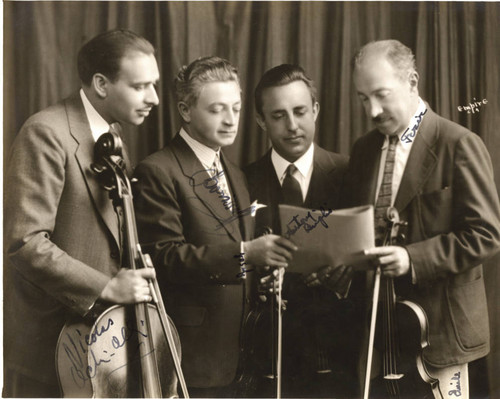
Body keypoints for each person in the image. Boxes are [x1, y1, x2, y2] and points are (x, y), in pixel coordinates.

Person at [3, 29, 160, 397]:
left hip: (101, 344)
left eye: (153, 85)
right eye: (140, 86)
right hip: (54, 347)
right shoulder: (45, 131)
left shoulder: (112, 131)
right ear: (101, 84)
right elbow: (25, 244)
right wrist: (106, 286)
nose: (153, 98)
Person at [133, 56, 297, 398]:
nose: (230, 120)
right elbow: (163, 260)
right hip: (191, 357)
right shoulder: (158, 170)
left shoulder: (235, 174)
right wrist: (245, 254)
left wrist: (261, 274)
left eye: (236, 108)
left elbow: (235, 255)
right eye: (217, 109)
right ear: (185, 109)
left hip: (241, 356)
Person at [345, 39, 500, 398]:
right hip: (382, 335)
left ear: (412, 82)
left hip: (443, 334)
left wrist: (412, 258)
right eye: (363, 99)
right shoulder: (363, 149)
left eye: (381, 95)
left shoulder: (458, 143)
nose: (372, 110)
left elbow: (485, 234)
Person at [244, 64, 357, 398]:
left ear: (316, 111)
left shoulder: (351, 174)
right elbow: (231, 259)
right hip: (268, 360)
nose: (292, 126)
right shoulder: (240, 182)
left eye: (300, 112)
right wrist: (254, 282)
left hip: (343, 357)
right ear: (261, 120)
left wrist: (348, 277)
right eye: (278, 115)